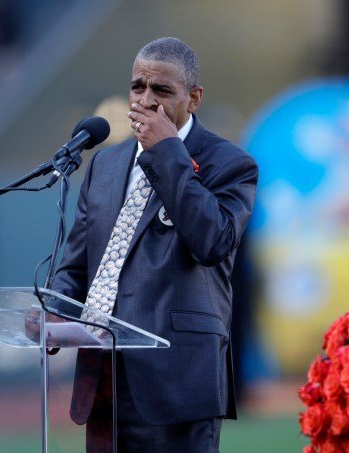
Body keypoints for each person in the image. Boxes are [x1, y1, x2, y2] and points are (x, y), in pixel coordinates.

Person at [52, 37, 258, 452]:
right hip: (105, 379)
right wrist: (53, 313)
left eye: (161, 91)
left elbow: (212, 241)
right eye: (137, 87)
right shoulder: (105, 165)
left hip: (178, 380)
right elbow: (76, 265)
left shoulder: (230, 163)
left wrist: (167, 151)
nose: (146, 100)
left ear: (193, 98)